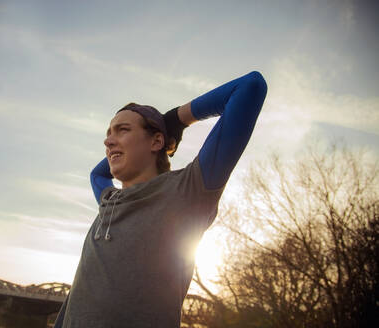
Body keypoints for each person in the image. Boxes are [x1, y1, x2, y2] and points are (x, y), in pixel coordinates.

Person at [54, 71, 268, 327]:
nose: (108, 141)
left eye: (122, 130)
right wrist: (128, 143)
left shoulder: (189, 190)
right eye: (108, 134)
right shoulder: (108, 198)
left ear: (156, 141)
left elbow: (250, 86)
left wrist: (174, 120)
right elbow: (97, 173)